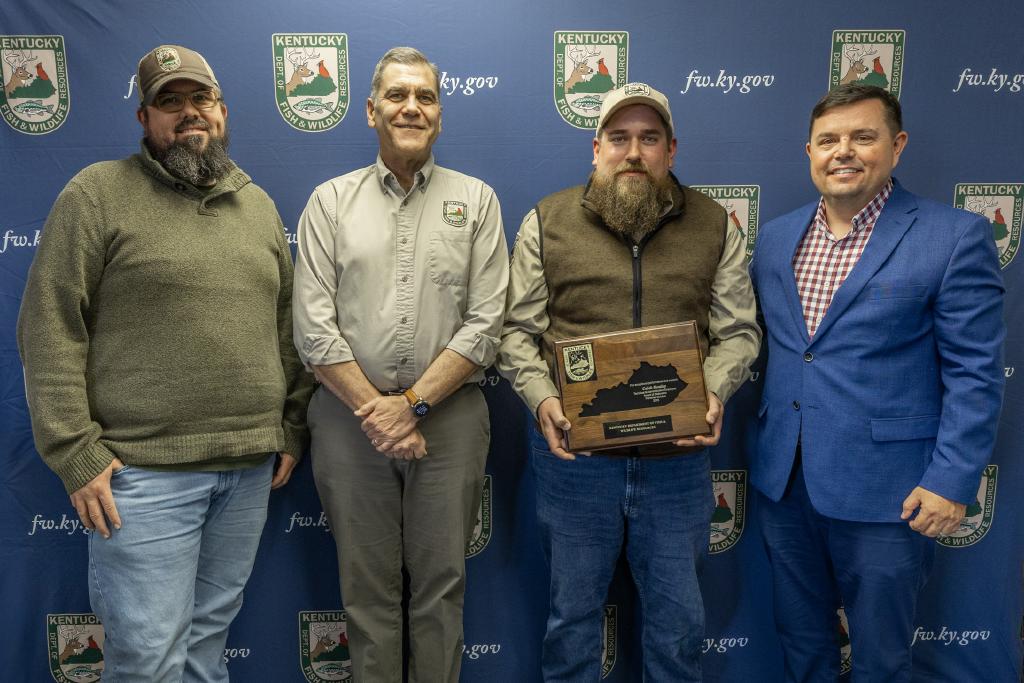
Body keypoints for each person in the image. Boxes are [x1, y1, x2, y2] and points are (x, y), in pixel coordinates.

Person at [17, 45, 311, 680]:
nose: (188, 114)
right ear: (144, 118)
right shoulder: (97, 194)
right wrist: (75, 451)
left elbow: (288, 328)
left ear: (223, 111)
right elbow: (49, 324)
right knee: (147, 660)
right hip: (142, 476)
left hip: (247, 469)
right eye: (168, 102)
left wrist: (289, 425)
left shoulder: (256, 206)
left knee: (208, 649)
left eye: (199, 99)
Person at [496, 82, 760, 681]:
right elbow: (516, 333)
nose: (633, 151)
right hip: (575, 460)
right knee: (571, 621)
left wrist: (712, 393)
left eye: (649, 138)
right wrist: (543, 400)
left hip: (677, 461)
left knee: (679, 626)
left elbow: (740, 331)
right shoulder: (547, 220)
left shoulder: (715, 223)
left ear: (671, 148)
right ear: (596, 148)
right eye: (619, 138)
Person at [749, 83, 1005, 681]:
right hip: (784, 482)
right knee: (802, 643)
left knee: (883, 656)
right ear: (808, 151)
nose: (844, 151)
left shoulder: (953, 236)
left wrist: (951, 480)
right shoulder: (775, 239)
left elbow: (975, 373)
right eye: (828, 140)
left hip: (891, 490)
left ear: (897, 146)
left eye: (863, 137)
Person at [291, 46, 508, 682]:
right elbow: (313, 328)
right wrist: (378, 411)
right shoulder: (330, 203)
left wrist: (411, 407)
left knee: (442, 586)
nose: (411, 107)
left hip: (450, 421)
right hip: (347, 422)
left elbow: (487, 323)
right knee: (366, 591)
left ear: (439, 113)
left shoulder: (479, 201)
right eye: (396, 95)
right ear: (370, 110)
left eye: (426, 97)